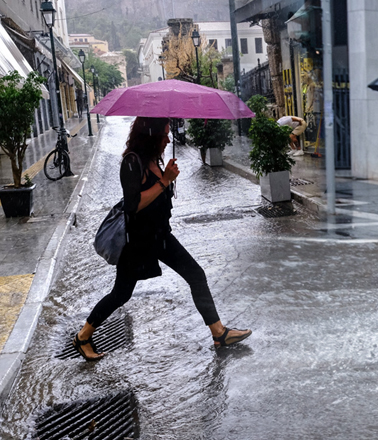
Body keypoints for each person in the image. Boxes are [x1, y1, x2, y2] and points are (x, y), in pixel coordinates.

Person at [72, 117, 252, 361]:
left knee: (196, 275)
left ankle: (219, 333)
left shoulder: (154, 160)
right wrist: (164, 181)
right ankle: (83, 336)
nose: (169, 138)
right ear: (151, 134)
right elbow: (133, 206)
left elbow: (160, 197)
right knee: (121, 294)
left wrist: (168, 178)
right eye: (165, 134)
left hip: (161, 236)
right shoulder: (132, 162)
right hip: (137, 241)